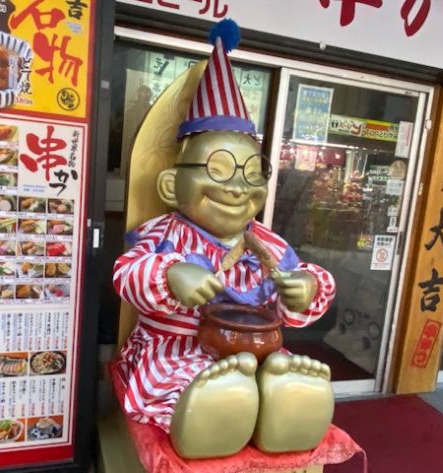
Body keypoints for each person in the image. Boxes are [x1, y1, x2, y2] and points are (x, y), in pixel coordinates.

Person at [113, 19, 336, 459]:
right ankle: (209, 417)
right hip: (174, 350)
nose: (237, 187)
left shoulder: (268, 244)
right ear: (171, 186)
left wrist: (304, 288)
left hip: (255, 352)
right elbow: (127, 274)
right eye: (217, 171)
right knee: (183, 382)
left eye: (252, 174)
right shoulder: (165, 235)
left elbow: (300, 293)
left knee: (269, 375)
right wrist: (170, 275)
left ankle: (282, 408)